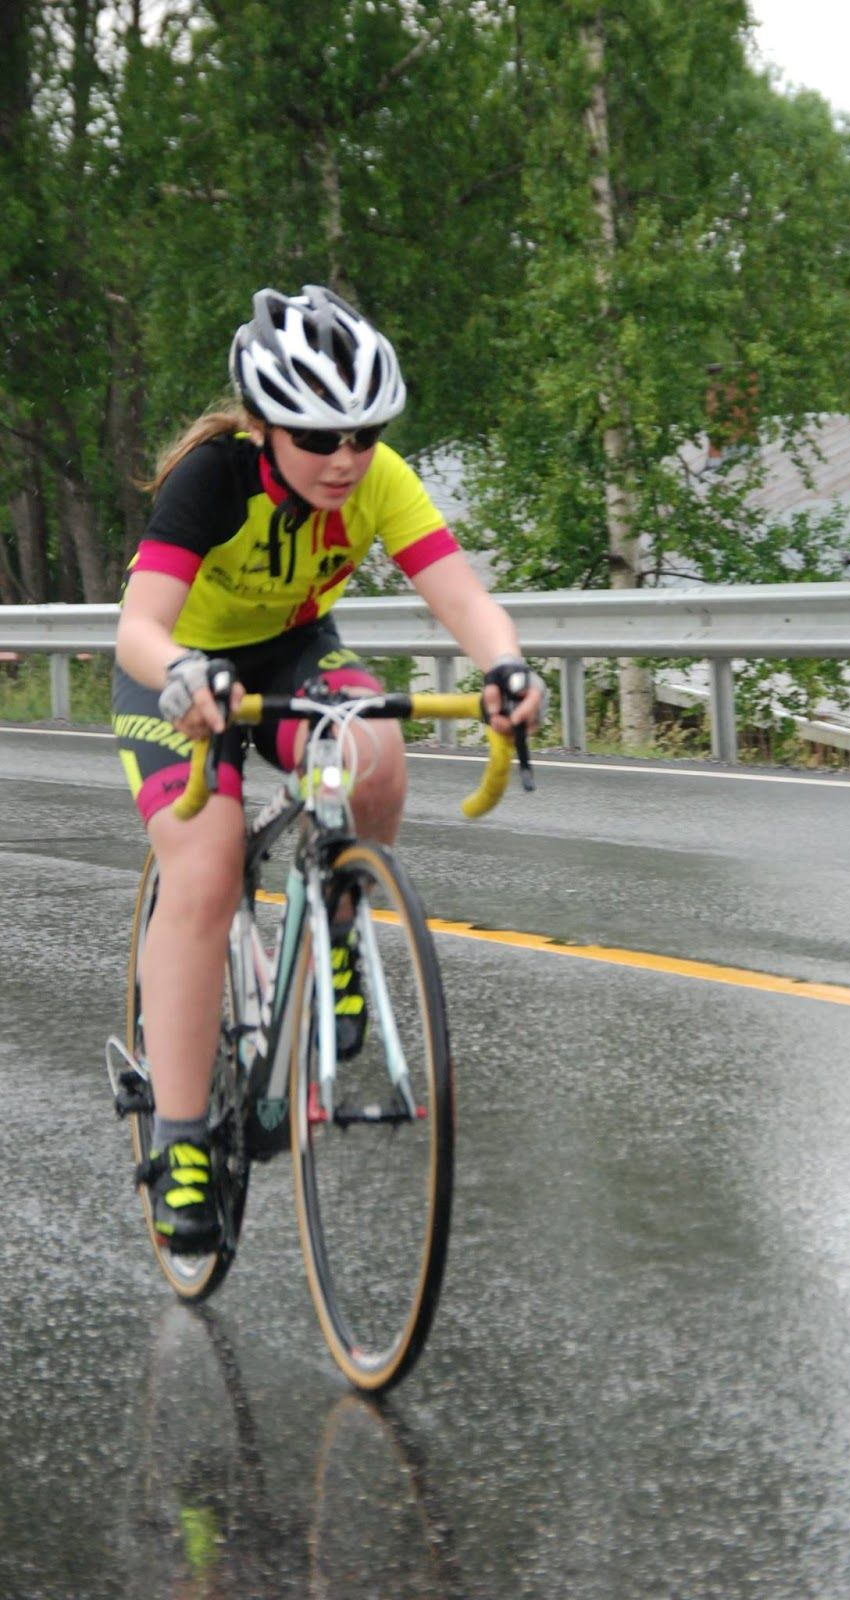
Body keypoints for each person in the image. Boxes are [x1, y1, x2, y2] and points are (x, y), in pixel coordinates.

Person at [113, 284, 544, 1252]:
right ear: (266, 426)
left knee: (376, 749)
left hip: (291, 652)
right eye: (318, 437)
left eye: (363, 431)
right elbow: (138, 627)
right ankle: (181, 1141)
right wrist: (182, 673)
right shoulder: (212, 480)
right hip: (178, 675)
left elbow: (460, 595)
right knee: (207, 864)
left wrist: (505, 665)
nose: (344, 458)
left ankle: (338, 926)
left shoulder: (378, 477)